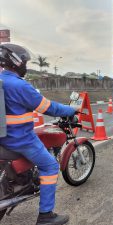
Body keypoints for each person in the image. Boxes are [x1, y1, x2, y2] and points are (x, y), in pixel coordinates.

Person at [0, 44, 76, 225]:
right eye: (24, 61)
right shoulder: (19, 85)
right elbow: (48, 108)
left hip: (4, 138)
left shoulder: (2, 80)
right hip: (20, 140)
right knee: (50, 166)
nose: (26, 65)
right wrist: (71, 109)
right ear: (16, 62)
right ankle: (46, 216)